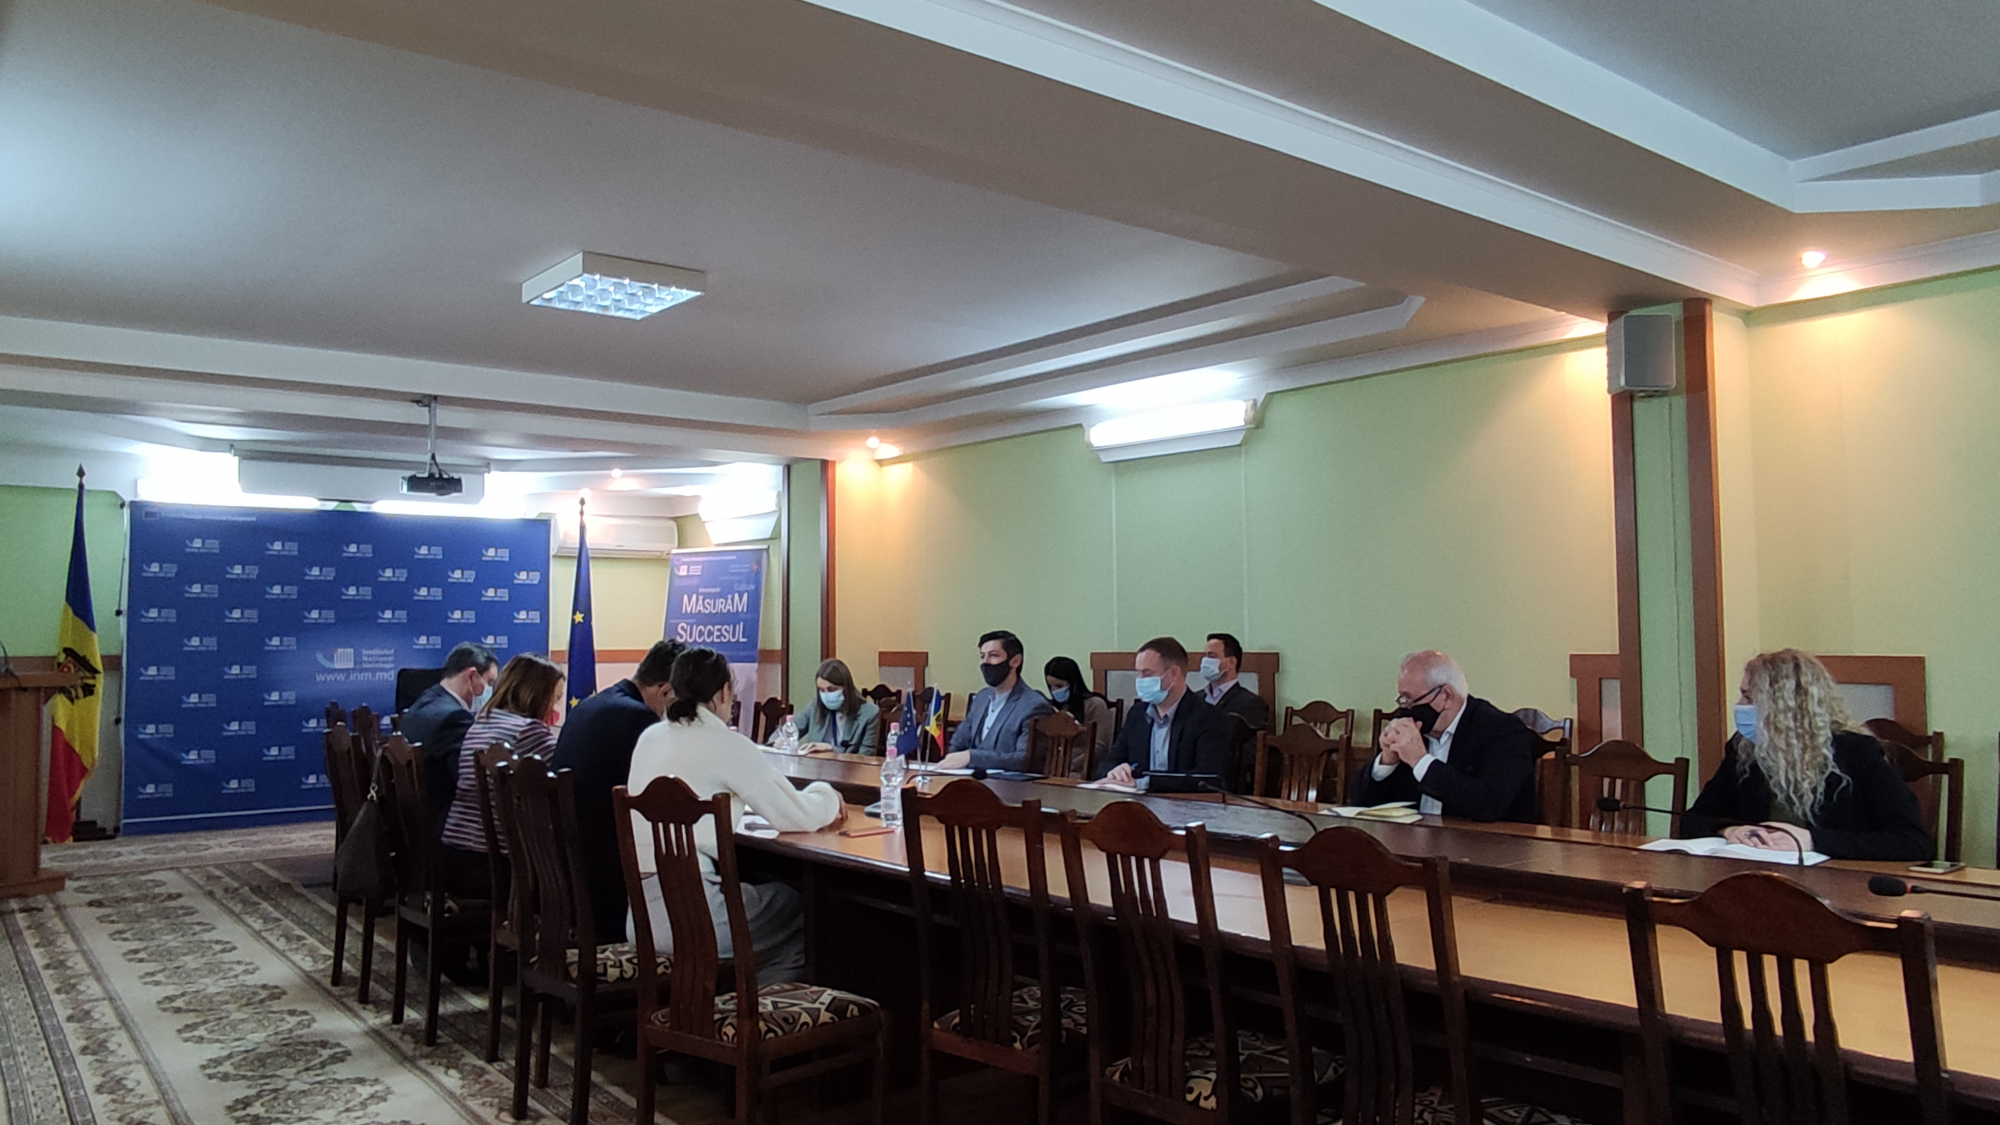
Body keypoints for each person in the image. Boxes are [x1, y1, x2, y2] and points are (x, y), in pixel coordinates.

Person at [626, 647, 845, 984]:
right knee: (798, 906)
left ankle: (733, 1003)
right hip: (699, 917)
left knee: (773, 917)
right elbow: (796, 816)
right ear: (724, 692)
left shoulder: (649, 737)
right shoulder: (726, 743)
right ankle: (758, 1009)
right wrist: (827, 795)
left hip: (641, 918)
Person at [1681, 649, 1930, 861]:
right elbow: (1694, 820)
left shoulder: (1856, 752)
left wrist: (1812, 840)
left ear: (1785, 706)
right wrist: (1729, 830)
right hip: (1756, 877)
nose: (1740, 705)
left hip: (1836, 884)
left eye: (1749, 697)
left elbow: (1913, 842)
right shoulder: (1744, 749)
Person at [550, 639, 682, 941]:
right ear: (665, 691)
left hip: (565, 872)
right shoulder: (637, 719)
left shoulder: (591, 704)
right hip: (605, 887)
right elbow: (657, 798)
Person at [1347, 650, 1537, 822]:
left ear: (1446, 696)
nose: (1405, 707)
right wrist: (1386, 763)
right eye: (1402, 698)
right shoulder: (1407, 721)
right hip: (1410, 840)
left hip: (1483, 843)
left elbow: (1488, 805)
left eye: (1410, 698)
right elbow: (1361, 802)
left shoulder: (1503, 731)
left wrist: (1420, 761)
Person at [436, 653, 566, 896]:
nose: (554, 707)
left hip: (455, 854)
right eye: (555, 698)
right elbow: (564, 781)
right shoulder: (529, 731)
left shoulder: (482, 722)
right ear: (536, 694)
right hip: (497, 867)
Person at [1099, 637, 1232, 786]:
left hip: (1183, 800)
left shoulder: (1209, 718)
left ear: (1174, 673)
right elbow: (1108, 762)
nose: (1141, 680)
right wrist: (1116, 771)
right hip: (1133, 798)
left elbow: (1208, 778)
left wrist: (1144, 783)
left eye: (1147, 674)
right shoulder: (1137, 713)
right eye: (1139, 674)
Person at [400, 641, 499, 824]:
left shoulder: (424, 701)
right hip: (443, 823)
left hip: (410, 820)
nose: (491, 692)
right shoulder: (454, 719)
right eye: (490, 682)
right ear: (472, 676)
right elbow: (471, 782)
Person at [938, 630, 1054, 771]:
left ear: (1015, 661)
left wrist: (972, 757)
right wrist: (952, 760)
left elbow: (1024, 760)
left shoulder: (1034, 706)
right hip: (970, 779)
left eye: (993, 655)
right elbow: (958, 742)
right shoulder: (981, 697)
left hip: (1008, 783)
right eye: (982, 656)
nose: (985, 662)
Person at [1201, 632, 1271, 788]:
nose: (1205, 662)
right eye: (1204, 656)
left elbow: (1252, 754)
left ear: (1231, 661)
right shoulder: (1195, 699)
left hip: (1227, 784)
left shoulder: (1251, 703)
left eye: (1212, 656)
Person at [783, 658, 880, 755]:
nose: (826, 695)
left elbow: (866, 756)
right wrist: (779, 740)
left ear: (846, 688)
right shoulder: (816, 706)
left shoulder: (870, 713)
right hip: (816, 764)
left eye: (832, 689)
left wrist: (832, 749)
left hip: (848, 765)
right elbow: (794, 727)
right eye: (821, 690)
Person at [1043, 655, 1113, 777]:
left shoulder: (1095, 705)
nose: (1055, 691)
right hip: (1056, 767)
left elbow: (1099, 746)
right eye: (1051, 687)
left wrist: (1072, 764)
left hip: (1084, 768)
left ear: (1073, 683)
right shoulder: (1051, 707)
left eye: (1059, 686)